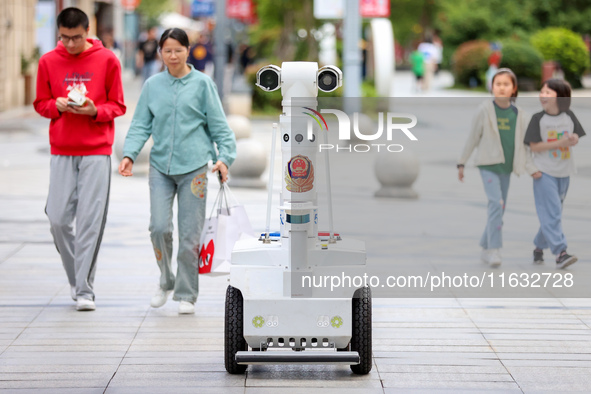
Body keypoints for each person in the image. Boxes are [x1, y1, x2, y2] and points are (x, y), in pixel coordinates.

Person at [118, 28, 236, 315]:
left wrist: (225, 158)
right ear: (160, 52)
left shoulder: (203, 84)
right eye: (167, 50)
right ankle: (165, 278)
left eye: (178, 50)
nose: (172, 55)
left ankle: (186, 293)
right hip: (160, 167)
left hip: (194, 169)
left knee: (190, 235)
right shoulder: (152, 85)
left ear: (188, 50)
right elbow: (140, 125)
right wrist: (129, 154)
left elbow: (220, 127)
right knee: (158, 227)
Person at [33, 7, 126, 311]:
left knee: (89, 222)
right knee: (57, 219)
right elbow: (40, 103)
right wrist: (56, 105)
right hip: (62, 149)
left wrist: (94, 111)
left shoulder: (108, 60)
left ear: (87, 32)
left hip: (96, 150)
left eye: (75, 38)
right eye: (64, 38)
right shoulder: (48, 61)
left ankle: (84, 291)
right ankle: (79, 278)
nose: (69, 45)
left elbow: (118, 105)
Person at [457, 68, 538, 267]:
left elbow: (527, 147)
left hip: (507, 168)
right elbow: (473, 137)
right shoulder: (484, 110)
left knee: (499, 209)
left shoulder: (521, 115)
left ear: (514, 88)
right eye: (498, 84)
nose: (501, 88)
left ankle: (485, 246)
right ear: (492, 87)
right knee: (496, 203)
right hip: (488, 165)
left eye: (506, 84)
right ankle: (494, 250)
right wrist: (462, 162)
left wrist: (532, 169)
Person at [524, 79, 585, 269]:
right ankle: (560, 252)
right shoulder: (537, 119)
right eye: (542, 92)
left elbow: (575, 136)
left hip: (564, 171)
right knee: (552, 213)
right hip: (544, 172)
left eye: (548, 93)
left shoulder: (569, 116)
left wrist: (573, 139)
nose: (543, 96)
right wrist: (559, 144)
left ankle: (539, 246)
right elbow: (534, 146)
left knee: (553, 212)